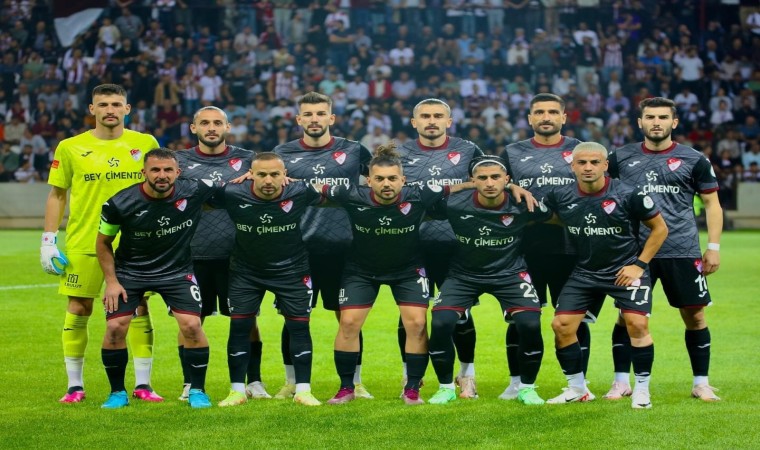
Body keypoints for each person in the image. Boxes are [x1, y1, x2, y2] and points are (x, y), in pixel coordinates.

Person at [321, 143, 473, 405]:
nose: (386, 184)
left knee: (417, 324)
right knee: (348, 324)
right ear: (369, 181)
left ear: (403, 180)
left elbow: (460, 186)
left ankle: (412, 388)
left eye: (392, 178)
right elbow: (311, 186)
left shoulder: (420, 193)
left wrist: (509, 187)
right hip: (361, 270)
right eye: (379, 179)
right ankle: (346, 388)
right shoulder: (351, 194)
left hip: (407, 270)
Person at [42, 84, 161, 403]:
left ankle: (143, 384)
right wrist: (48, 240)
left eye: (116, 104)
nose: (110, 109)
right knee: (79, 306)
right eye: (104, 104)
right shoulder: (70, 147)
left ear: (127, 109)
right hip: (85, 240)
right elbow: (57, 194)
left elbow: (160, 186)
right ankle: (74, 386)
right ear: (92, 109)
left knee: (138, 306)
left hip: (136, 241)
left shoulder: (145, 143)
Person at [605, 97, 723, 402]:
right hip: (634, 254)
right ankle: (620, 382)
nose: (656, 122)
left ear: (674, 122)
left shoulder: (694, 159)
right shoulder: (619, 158)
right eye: (650, 117)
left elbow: (712, 204)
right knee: (627, 317)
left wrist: (713, 247)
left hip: (681, 250)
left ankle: (701, 383)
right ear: (640, 122)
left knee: (695, 316)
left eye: (662, 117)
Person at [543, 142, 668, 409]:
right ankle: (577, 389)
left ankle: (642, 390)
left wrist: (639, 265)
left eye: (594, 162)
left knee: (637, 325)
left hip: (625, 270)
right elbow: (547, 215)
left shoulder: (629, 193)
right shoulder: (560, 194)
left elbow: (660, 229)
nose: (588, 167)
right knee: (561, 325)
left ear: (605, 165)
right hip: (585, 272)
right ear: (572, 166)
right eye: (582, 163)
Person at [96, 148, 216, 409]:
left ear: (178, 172)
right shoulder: (119, 203)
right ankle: (117, 393)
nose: (162, 175)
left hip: (176, 272)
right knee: (115, 328)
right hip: (130, 272)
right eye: (155, 170)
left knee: (192, 326)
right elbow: (103, 243)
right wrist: (112, 282)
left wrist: (252, 176)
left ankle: (197, 390)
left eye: (168, 170)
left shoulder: (194, 189)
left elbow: (233, 187)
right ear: (144, 172)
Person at [272, 92, 373, 400]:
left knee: (349, 319)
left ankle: (355, 382)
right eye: (308, 114)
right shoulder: (282, 153)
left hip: (345, 249)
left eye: (320, 113)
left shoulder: (354, 150)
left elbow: (383, 180)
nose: (314, 119)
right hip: (297, 250)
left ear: (331, 117)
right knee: (294, 318)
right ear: (298, 119)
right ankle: (292, 382)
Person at [427, 156, 549, 405]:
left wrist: (518, 190)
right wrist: (463, 187)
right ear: (473, 180)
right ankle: (445, 387)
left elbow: (553, 214)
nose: (490, 183)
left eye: (496, 177)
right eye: (482, 178)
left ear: (507, 179)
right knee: (441, 322)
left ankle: (527, 388)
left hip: (510, 274)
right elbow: (424, 197)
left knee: (529, 324)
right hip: (463, 275)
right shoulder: (455, 203)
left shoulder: (522, 203)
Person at [213, 152, 323, 407]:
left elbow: (326, 195)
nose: (268, 180)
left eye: (275, 174)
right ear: (250, 174)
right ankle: (237, 391)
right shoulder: (231, 192)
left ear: (285, 175)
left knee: (299, 327)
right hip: (245, 272)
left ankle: (303, 390)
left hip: (292, 271)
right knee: (239, 327)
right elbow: (199, 199)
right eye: (261, 174)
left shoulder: (300, 190)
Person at [173, 106, 267, 401]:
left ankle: (254, 381)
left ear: (227, 127)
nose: (211, 128)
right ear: (193, 128)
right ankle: (189, 382)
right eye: (204, 123)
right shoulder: (179, 161)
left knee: (246, 319)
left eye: (217, 123)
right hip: (191, 254)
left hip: (238, 256)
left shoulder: (249, 160)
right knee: (190, 321)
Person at [501, 93, 591, 400]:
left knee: (574, 319)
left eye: (553, 112)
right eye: (539, 112)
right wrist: (510, 185)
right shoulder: (513, 152)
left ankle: (579, 384)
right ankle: (517, 383)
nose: (546, 117)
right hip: (524, 249)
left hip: (572, 248)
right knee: (521, 319)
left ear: (564, 117)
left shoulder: (580, 150)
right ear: (530, 118)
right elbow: (495, 184)